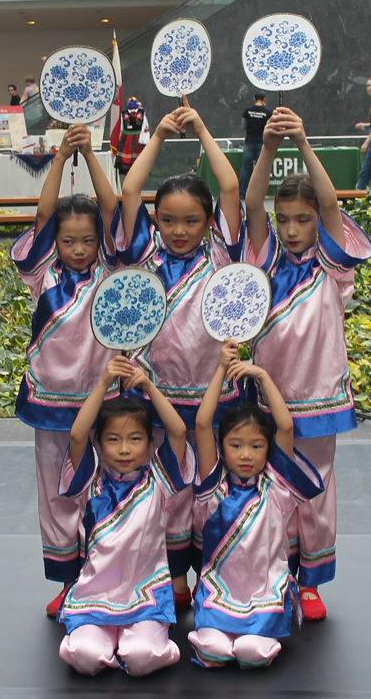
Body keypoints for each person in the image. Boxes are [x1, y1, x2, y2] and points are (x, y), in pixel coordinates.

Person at [244, 107, 371, 621]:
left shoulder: (333, 265)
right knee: (267, 487)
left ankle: (311, 582)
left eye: (304, 220)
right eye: (285, 220)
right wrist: (271, 147)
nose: (293, 229)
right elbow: (251, 200)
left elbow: (329, 199)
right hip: (266, 400)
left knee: (315, 490)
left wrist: (303, 140)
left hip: (319, 397)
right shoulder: (264, 259)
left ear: (320, 222)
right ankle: (272, 572)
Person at [118, 95, 244, 605]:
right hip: (158, 398)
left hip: (214, 398)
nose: (178, 230)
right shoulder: (145, 252)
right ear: (155, 221)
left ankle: (213, 574)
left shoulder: (221, 251)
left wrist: (202, 128)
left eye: (191, 220)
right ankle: (173, 576)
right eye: (168, 220)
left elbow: (231, 184)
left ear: (209, 221)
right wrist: (161, 136)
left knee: (210, 492)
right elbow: (129, 189)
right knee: (170, 492)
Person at [10, 125, 119, 618]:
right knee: (57, 495)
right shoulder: (43, 272)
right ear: (55, 242)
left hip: (105, 403)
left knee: (105, 491)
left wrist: (91, 156)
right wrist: (59, 158)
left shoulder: (114, 273)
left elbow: (115, 211)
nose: (78, 248)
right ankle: (67, 582)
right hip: (52, 405)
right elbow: (43, 214)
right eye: (69, 240)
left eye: (87, 240)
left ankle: (105, 577)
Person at [188, 340, 324, 669]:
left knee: (252, 653)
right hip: (220, 591)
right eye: (236, 445)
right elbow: (203, 424)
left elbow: (287, 426)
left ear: (268, 450)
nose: (246, 454)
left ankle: (261, 630)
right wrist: (222, 368)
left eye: (256, 445)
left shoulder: (276, 489)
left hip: (264, 592)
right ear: (223, 448)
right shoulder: (214, 486)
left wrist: (261, 375)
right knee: (214, 651)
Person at [57, 356, 194, 676]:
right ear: (100, 444)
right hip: (95, 596)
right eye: (113, 439)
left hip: (145, 597)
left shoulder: (158, 479)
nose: (123, 449)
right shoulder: (91, 479)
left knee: (142, 658)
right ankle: (102, 643)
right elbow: (78, 436)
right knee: (85, 659)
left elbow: (178, 430)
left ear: (149, 445)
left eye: (134, 439)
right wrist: (103, 383)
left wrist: (147, 385)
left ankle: (139, 642)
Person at [239, 92, 272, 199]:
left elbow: (243, 125)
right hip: (261, 142)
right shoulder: (267, 112)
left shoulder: (247, 111)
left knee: (245, 168)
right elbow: (269, 127)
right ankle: (259, 194)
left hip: (249, 141)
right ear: (264, 99)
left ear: (254, 98)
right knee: (261, 169)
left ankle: (242, 193)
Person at [114, 97, 150, 177]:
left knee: (138, 157)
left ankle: (137, 171)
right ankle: (128, 171)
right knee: (127, 157)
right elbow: (121, 128)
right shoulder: (123, 113)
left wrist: (145, 140)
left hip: (138, 137)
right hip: (127, 137)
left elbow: (145, 126)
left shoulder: (142, 112)